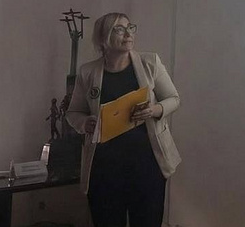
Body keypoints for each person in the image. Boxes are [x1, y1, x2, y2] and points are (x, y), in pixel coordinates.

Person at [66, 13, 181, 227]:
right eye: (119, 29)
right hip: (104, 168)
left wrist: (154, 110)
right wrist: (85, 123)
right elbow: (73, 113)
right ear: (103, 38)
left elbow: (174, 99)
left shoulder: (150, 62)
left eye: (130, 28)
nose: (128, 34)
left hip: (147, 165)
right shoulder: (88, 72)